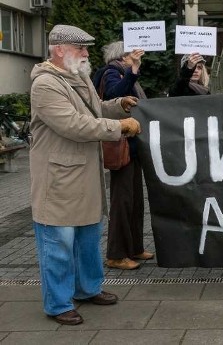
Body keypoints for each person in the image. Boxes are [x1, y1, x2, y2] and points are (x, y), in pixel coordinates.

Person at [30, 25, 141, 325]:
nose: (86, 53)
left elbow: (94, 112)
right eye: (81, 48)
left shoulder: (77, 77)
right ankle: (58, 303)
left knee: (87, 240)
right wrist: (120, 127)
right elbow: (73, 125)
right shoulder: (45, 85)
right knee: (58, 245)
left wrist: (118, 106)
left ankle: (87, 288)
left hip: (83, 176)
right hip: (59, 180)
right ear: (59, 50)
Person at [92, 41, 154, 270]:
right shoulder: (110, 73)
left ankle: (135, 247)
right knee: (122, 201)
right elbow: (114, 97)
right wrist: (133, 72)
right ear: (122, 56)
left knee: (135, 200)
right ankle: (116, 254)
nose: (136, 58)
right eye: (131, 55)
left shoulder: (120, 72)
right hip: (121, 144)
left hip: (131, 146)